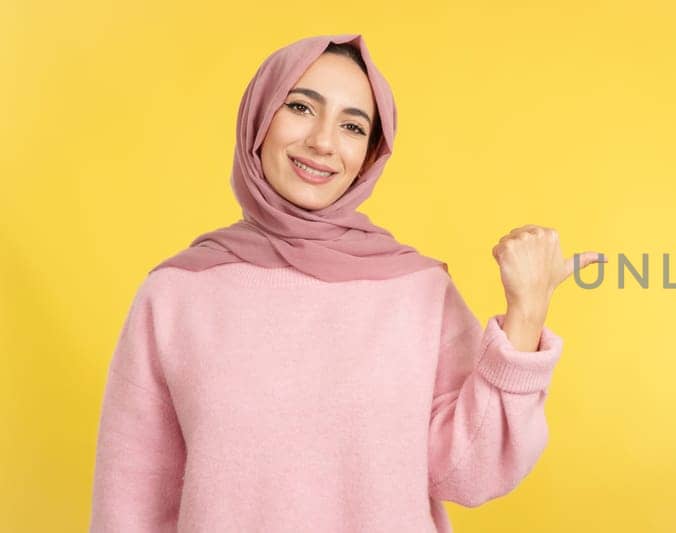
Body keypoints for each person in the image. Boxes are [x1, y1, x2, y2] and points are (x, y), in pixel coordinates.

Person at [88, 34, 601, 532]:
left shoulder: (418, 291)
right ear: (259, 119)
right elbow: (129, 504)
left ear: (370, 155)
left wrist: (527, 312)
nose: (323, 142)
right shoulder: (177, 293)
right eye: (301, 108)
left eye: (354, 127)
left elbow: (472, 474)